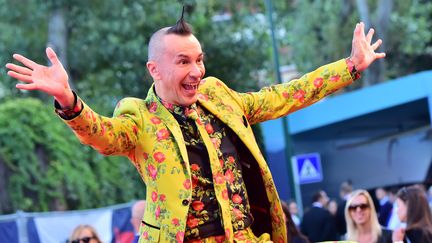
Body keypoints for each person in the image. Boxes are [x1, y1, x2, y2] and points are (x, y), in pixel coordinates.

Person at [5, 9, 385, 242]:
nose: (197, 71)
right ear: (155, 70)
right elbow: (102, 134)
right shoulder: (139, 116)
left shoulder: (218, 95)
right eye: (183, 62)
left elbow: (282, 95)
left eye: (199, 60)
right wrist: (68, 100)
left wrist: (349, 67)